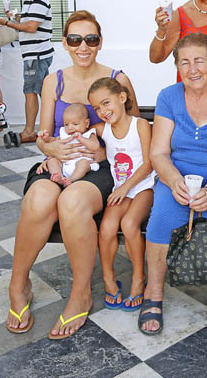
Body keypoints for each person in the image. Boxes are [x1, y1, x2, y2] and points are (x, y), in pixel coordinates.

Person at [5, 10, 139, 339]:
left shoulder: (117, 78)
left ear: (100, 42)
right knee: (39, 200)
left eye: (90, 39)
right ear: (65, 43)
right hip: (59, 160)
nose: (83, 46)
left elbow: (135, 130)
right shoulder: (55, 80)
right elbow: (43, 134)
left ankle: (81, 294)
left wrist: (103, 145)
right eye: (75, 39)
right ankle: (18, 284)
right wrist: (49, 150)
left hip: (102, 165)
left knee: (73, 202)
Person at [140, 32, 207, 336]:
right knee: (163, 216)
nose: (192, 69)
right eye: (184, 62)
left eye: (199, 61)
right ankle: (154, 290)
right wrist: (174, 180)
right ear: (177, 67)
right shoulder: (168, 96)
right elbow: (159, 152)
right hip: (177, 175)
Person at [87, 77, 154, 312]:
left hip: (144, 186)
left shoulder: (140, 126)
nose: (103, 111)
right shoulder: (103, 130)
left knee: (128, 224)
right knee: (105, 228)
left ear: (122, 98)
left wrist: (125, 188)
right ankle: (108, 279)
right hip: (121, 190)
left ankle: (138, 278)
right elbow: (76, 131)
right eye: (97, 108)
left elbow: (149, 163)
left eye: (106, 103)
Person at [0, 0, 54, 143]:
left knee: (30, 92)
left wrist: (5, 22)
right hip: (36, 54)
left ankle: (29, 131)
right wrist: (13, 18)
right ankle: (50, 127)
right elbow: (29, 23)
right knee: (44, 93)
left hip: (35, 55)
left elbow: (31, 27)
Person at [37, 103, 100, 187]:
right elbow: (55, 140)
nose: (70, 127)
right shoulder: (65, 134)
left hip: (81, 163)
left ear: (87, 123)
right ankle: (59, 176)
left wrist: (82, 139)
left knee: (83, 163)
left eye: (75, 124)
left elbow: (95, 146)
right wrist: (46, 138)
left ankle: (71, 179)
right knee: (52, 161)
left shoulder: (89, 134)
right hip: (64, 164)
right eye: (66, 124)